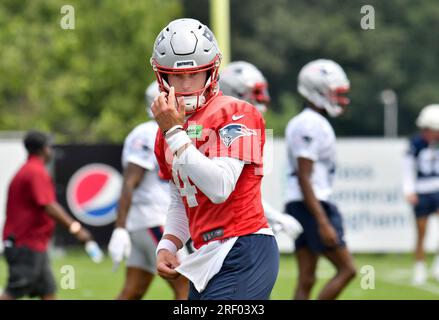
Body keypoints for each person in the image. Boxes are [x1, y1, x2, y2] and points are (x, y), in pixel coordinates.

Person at [150, 18, 279, 300]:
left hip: (243, 248)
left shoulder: (237, 112)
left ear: (212, 71)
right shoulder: (166, 134)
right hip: (203, 254)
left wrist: (175, 132)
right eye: (176, 75)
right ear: (162, 77)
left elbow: (220, 187)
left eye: (194, 74)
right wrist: (168, 245)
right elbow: (180, 200)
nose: (185, 85)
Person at [108, 81, 189, 300]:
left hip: (147, 220)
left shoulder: (164, 131)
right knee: (187, 286)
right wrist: (119, 228)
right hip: (154, 220)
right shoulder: (148, 132)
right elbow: (129, 182)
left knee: (133, 290)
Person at [284, 59, 356, 300]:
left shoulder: (307, 121)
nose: (339, 98)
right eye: (334, 92)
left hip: (300, 204)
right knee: (347, 270)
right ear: (317, 91)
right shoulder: (310, 123)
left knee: (306, 278)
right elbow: (305, 176)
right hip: (312, 204)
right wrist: (323, 221)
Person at [1, 130, 100, 300]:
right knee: (14, 291)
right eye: (50, 147)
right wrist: (76, 229)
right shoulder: (35, 172)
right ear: (44, 149)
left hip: (33, 243)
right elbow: (49, 205)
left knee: (48, 291)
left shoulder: (27, 169)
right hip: (26, 243)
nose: (51, 151)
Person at [220, 61, 303, 239]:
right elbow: (234, 190)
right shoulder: (231, 130)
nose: (263, 98)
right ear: (236, 93)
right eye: (256, 92)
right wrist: (276, 217)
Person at [403, 104, 439, 285]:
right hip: (422, 191)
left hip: (438, 189)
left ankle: (438, 266)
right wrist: (409, 190)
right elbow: (408, 169)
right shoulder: (415, 144)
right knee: (421, 232)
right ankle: (419, 268)